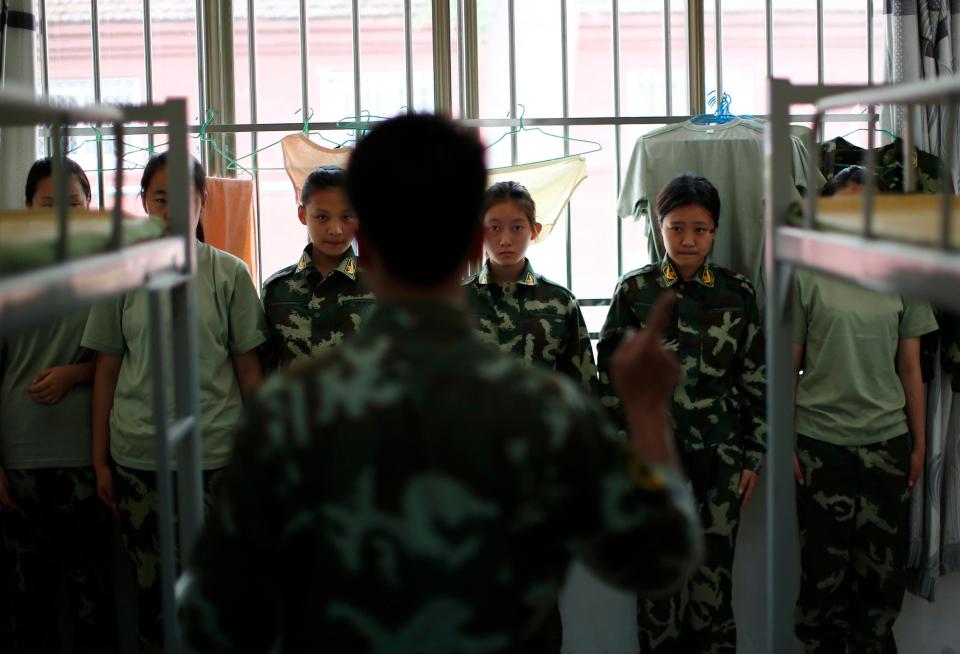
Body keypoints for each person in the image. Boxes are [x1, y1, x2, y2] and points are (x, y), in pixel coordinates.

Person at [180, 113, 702, 653]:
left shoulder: (292, 409)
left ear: (367, 237)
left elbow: (209, 621)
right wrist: (644, 410)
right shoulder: (538, 409)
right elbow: (657, 556)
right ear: (476, 242)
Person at [81, 152, 268, 654]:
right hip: (141, 461)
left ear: (203, 203)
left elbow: (249, 371)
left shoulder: (228, 274)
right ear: (144, 203)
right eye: (161, 198)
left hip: (217, 460)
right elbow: (106, 370)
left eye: (185, 199)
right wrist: (99, 459)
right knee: (152, 595)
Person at [597, 173, 767, 654]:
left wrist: (753, 454)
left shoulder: (739, 292)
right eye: (676, 228)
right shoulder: (635, 290)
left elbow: (756, 376)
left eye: (699, 228)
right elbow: (611, 380)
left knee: (714, 582)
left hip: (720, 456)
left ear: (714, 230)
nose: (687, 239)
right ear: (659, 226)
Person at [792, 166, 939, 653]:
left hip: (885, 446)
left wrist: (918, 445)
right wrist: (784, 440)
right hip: (819, 446)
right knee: (821, 583)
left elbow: (911, 369)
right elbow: (784, 366)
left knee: (879, 587)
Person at [1, 157, 117, 653]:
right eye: (50, 206)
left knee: (93, 597)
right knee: (29, 603)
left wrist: (76, 373)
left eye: (74, 205)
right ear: (28, 208)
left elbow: (128, 361)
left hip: (88, 458)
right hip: (19, 458)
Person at [463, 181, 597, 394]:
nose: (505, 240)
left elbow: (583, 387)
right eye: (494, 228)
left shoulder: (561, 302)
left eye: (517, 228)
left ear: (534, 231)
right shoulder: (457, 299)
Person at [262, 165, 374, 369]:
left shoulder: (380, 284)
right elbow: (264, 366)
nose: (335, 230)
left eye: (347, 217)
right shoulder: (275, 289)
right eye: (322, 217)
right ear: (303, 215)